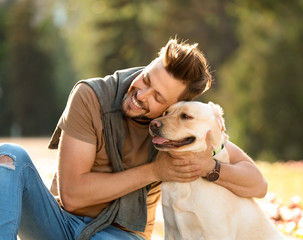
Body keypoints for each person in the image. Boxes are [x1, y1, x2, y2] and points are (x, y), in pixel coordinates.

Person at [0, 38, 267, 240]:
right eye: (146, 79)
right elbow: (72, 195)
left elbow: (258, 185)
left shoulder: (178, 130)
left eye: (158, 98)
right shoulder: (91, 96)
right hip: (59, 223)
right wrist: (154, 170)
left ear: (174, 106)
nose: (142, 95)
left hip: (121, 234)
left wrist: (212, 168)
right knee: (9, 157)